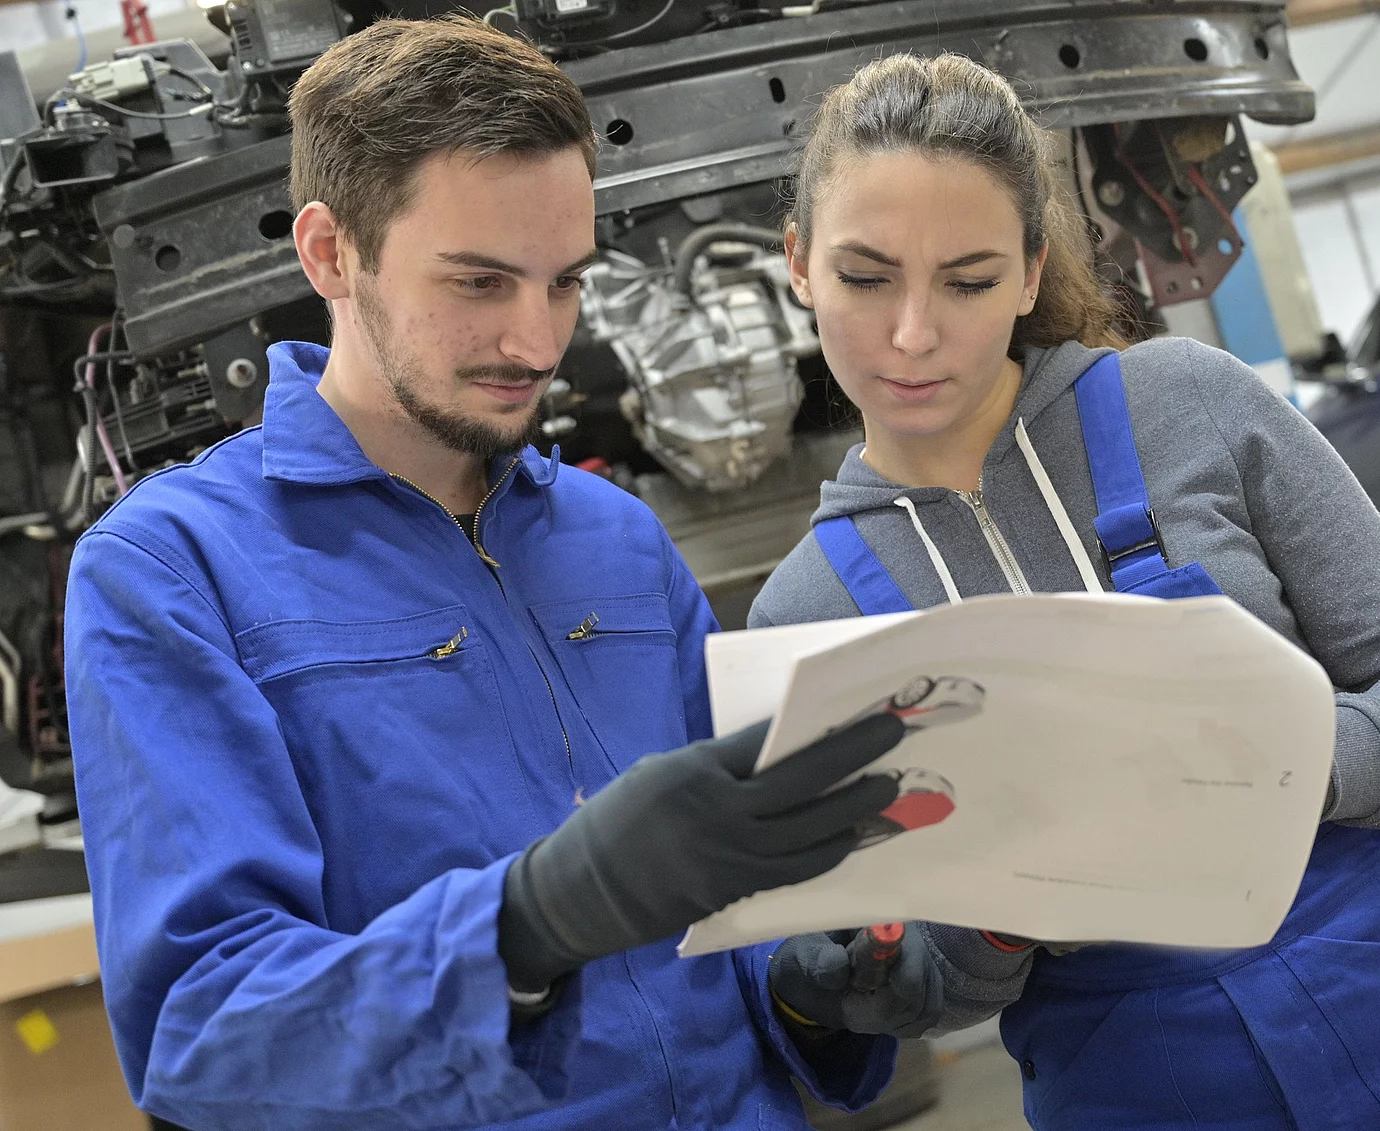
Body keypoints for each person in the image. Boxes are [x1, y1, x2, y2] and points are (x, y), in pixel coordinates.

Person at [62, 18, 918, 1130]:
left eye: (563, 282)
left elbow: (726, 915)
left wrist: (808, 988)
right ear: (329, 253)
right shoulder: (170, 572)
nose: (533, 341)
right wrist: (528, 920)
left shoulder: (615, 539)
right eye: (477, 283)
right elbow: (206, 1037)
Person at [751, 53, 1380, 1130]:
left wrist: (1271, 766)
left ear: (1026, 272)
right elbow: (923, 986)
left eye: (966, 281)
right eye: (865, 277)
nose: (912, 333)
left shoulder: (1188, 404)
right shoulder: (805, 615)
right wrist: (995, 919)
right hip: (1141, 1081)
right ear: (797, 263)